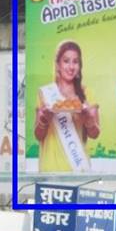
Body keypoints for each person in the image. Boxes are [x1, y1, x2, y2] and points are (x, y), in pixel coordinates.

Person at [34, 40, 100, 173]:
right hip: (50, 168)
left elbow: (95, 134)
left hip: (78, 168)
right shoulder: (45, 93)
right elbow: (38, 136)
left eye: (75, 62)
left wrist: (88, 119)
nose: (71, 67)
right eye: (66, 61)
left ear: (80, 66)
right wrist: (44, 120)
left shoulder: (86, 93)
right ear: (58, 65)